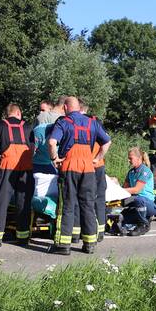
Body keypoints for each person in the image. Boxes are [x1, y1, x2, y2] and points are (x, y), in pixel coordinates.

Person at [47, 96, 110, 255]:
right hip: (88, 168)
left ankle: (63, 245)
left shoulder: (64, 122)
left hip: (69, 166)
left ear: (66, 108)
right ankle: (90, 244)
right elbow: (107, 142)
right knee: (88, 205)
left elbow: (51, 142)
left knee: (67, 205)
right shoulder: (92, 122)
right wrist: (97, 159)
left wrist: (55, 158)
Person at [0, 104, 36, 247]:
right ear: (19, 113)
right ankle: (23, 237)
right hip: (25, 165)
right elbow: (32, 149)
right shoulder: (28, 126)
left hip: (7, 164)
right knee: (24, 202)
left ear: (7, 114)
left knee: (2, 200)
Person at [79, 100, 109, 242]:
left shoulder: (80, 122)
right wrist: (98, 158)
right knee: (100, 198)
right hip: (98, 164)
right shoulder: (96, 121)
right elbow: (106, 141)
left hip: (85, 166)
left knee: (84, 199)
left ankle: (81, 232)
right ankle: (100, 232)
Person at [31, 107, 61, 219]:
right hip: (35, 162)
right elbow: (31, 152)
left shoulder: (65, 132)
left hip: (48, 162)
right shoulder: (39, 131)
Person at [121, 147, 156, 235]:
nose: (128, 160)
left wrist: (121, 190)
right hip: (136, 202)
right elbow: (125, 188)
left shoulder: (145, 171)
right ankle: (137, 220)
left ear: (139, 158)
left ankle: (143, 225)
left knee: (138, 199)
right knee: (121, 219)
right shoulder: (131, 172)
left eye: (131, 158)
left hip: (148, 203)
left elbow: (136, 190)